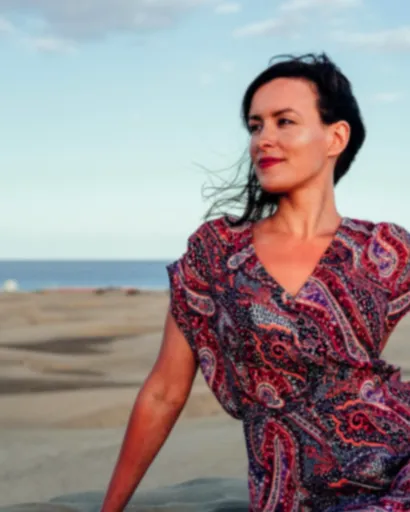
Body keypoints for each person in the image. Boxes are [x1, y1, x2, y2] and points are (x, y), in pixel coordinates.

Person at [100, 53, 410, 511]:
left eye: (284, 121)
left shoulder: (384, 249)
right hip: (291, 494)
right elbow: (165, 391)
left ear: (335, 137)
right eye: (255, 125)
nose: (263, 139)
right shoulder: (216, 251)